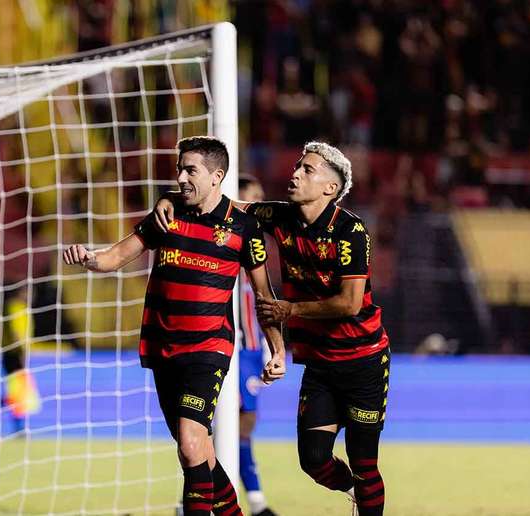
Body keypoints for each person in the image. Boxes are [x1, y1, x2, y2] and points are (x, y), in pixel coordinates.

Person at [154, 141, 390, 516]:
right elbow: (226, 207)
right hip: (321, 365)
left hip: (364, 361)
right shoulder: (278, 216)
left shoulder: (350, 231)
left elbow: (349, 303)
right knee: (314, 461)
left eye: (307, 169)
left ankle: (365, 492)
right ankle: (359, 491)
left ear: (330, 188)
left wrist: (289, 309)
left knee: (364, 461)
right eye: (298, 165)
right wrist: (171, 197)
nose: (295, 173)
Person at [64, 136, 287, 516]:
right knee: (197, 452)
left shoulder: (244, 227)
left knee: (189, 442)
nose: (181, 176)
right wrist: (88, 258)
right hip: (162, 345)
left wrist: (278, 349)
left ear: (217, 176)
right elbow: (116, 256)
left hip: (209, 348)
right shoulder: (167, 215)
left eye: (190, 170)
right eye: (179, 168)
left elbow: (263, 294)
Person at [236, 175, 278, 516]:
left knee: (245, 425)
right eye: (255, 197)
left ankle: (254, 501)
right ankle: (256, 503)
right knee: (230, 426)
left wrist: (267, 346)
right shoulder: (228, 239)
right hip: (231, 349)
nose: (261, 204)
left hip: (251, 350)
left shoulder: (255, 244)